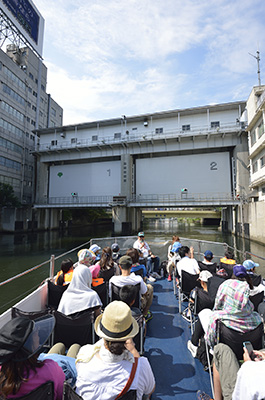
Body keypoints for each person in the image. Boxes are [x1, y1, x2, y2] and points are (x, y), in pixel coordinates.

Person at [75, 301, 155, 400]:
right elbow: (150, 390)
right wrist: (134, 351)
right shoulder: (141, 366)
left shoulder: (85, 356)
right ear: (129, 337)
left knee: (74, 347)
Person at [187, 265, 262, 357]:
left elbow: (218, 304)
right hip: (247, 349)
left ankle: (194, 345)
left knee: (204, 313)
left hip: (227, 349)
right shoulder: (258, 320)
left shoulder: (226, 285)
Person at [0, 315, 65, 399]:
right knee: (67, 347)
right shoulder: (51, 369)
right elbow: (61, 395)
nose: (38, 337)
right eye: (36, 334)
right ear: (29, 345)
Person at [109, 255, 154, 321]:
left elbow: (110, 295)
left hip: (118, 305)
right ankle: (145, 314)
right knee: (150, 288)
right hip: (135, 304)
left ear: (120, 267)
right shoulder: (138, 279)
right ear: (131, 266)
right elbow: (144, 292)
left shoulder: (113, 280)